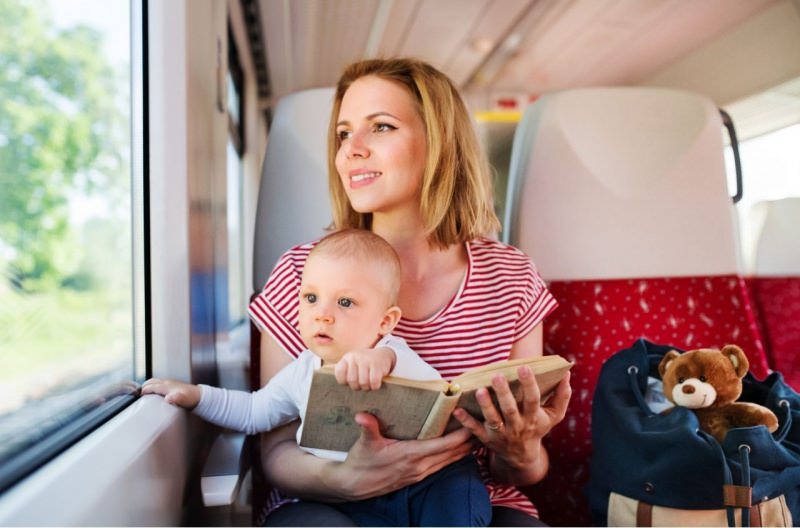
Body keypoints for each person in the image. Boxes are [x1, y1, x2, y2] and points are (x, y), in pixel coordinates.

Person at [250, 57, 572, 527]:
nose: (350, 150)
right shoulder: (302, 271)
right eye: (343, 133)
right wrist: (347, 479)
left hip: (465, 500)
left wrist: (521, 450)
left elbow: (524, 472)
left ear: (439, 144)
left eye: (379, 127)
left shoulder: (511, 277)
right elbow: (275, 448)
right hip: (328, 502)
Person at [143, 229, 492, 527]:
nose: (322, 315)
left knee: (459, 500)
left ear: (385, 322)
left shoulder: (392, 353)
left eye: (345, 302)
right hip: (348, 498)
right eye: (311, 298)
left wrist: (378, 360)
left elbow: (441, 394)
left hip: (429, 483)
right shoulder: (301, 371)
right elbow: (252, 412)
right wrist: (196, 395)